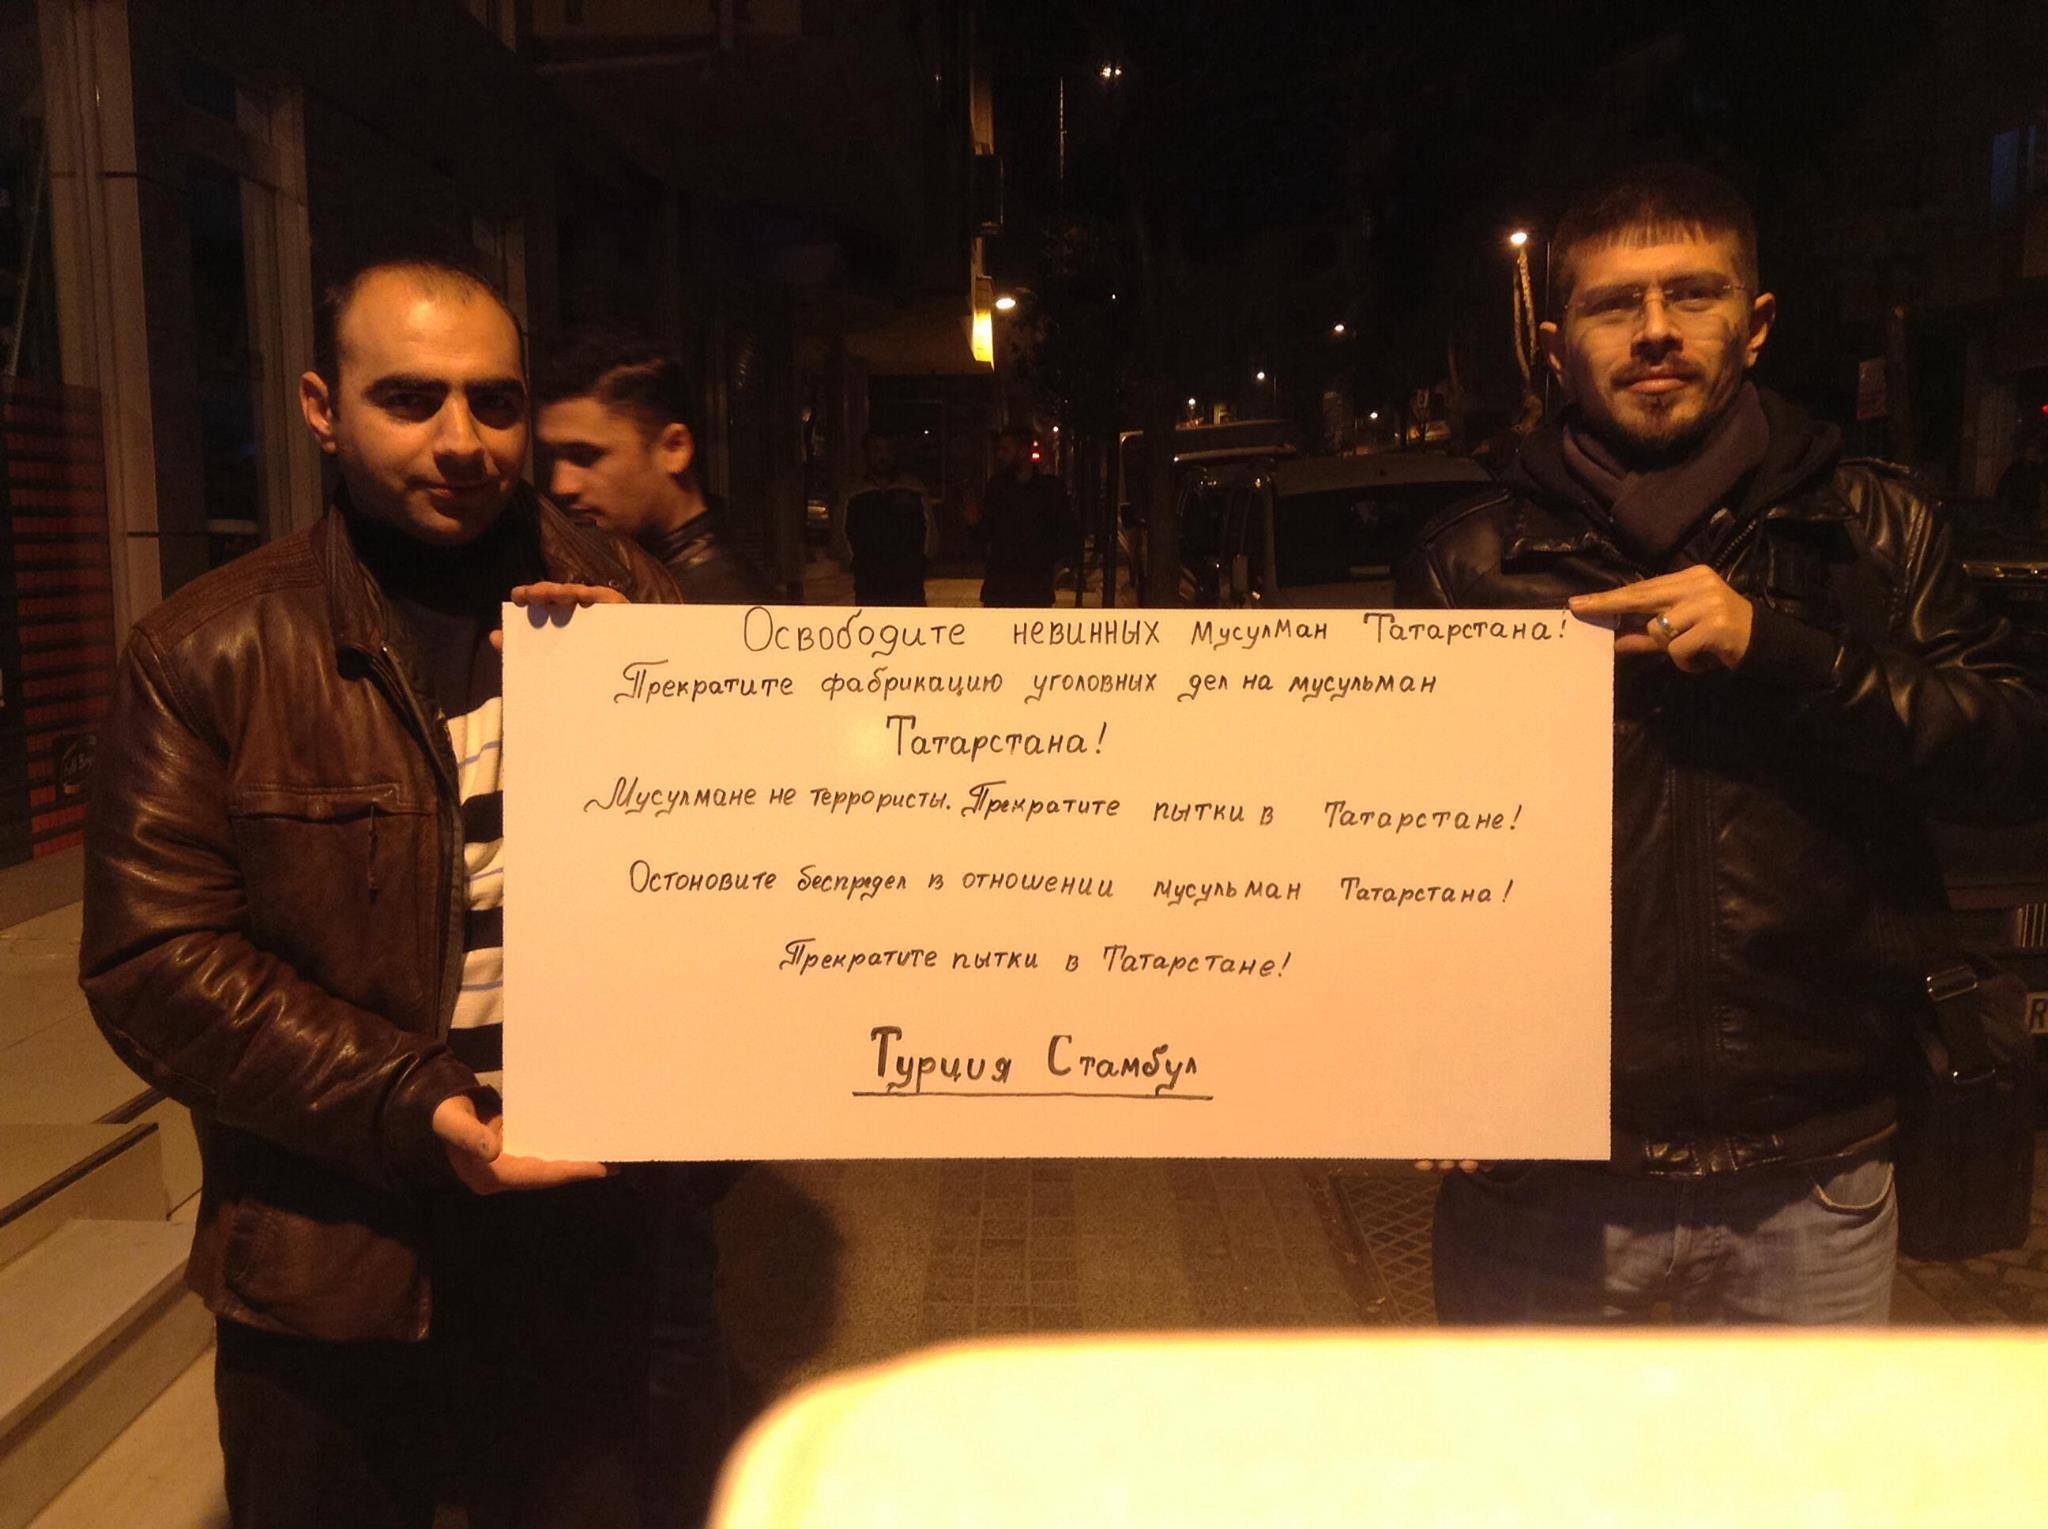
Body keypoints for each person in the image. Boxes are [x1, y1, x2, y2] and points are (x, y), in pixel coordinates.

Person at [78, 257, 716, 1527]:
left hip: (575, 1239)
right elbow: (153, 963)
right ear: (323, 408)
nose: (462, 440)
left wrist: (669, 712)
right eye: (411, 398)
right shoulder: (209, 647)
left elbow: (743, 888)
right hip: (328, 1253)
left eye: (495, 401)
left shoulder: (632, 603)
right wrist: (411, 1099)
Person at [1397, 164, 2048, 1324]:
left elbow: (2011, 757)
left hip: (1812, 1181)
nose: (1653, 330)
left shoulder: (1875, 529)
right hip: (1545, 1187)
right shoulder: (1470, 562)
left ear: (1752, 322)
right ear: (1554, 346)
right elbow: (1402, 854)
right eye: (1612, 304)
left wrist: (1787, 653)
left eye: (1690, 294)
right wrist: (1422, 1060)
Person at [535, 327, 774, 604]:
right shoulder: (637, 574)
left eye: (585, 456)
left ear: (674, 448)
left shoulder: (723, 609)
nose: (561, 485)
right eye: (552, 457)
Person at [972, 427, 1075, 606]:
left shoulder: (1049, 491)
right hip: (1001, 586)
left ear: (1023, 451)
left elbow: (1064, 532)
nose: (1000, 455)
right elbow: (985, 533)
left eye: (1005, 450)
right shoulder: (997, 487)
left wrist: (1050, 562)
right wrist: (973, 523)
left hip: (1034, 586)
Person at [834, 430, 934, 605]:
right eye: (877, 449)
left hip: (909, 585)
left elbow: (930, 530)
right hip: (869, 585)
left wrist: (920, 564)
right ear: (867, 453)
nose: (883, 456)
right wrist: (856, 565)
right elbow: (840, 533)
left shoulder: (913, 488)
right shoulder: (853, 492)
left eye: (888, 449)